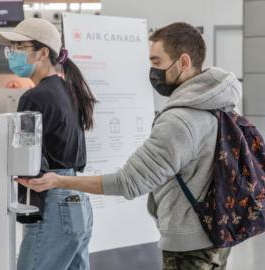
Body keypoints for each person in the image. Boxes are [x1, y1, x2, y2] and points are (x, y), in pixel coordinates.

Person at [18, 22, 242, 270]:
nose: (152, 71)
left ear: (184, 62)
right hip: (218, 231)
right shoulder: (223, 106)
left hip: (189, 243)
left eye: (157, 62)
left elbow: (128, 182)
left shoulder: (179, 120)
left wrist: (59, 181)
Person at [0, 18, 97, 270]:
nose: (12, 54)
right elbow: (38, 142)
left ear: (43, 52)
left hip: (52, 202)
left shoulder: (35, 96)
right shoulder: (67, 90)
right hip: (76, 200)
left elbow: (22, 154)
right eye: (10, 48)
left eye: (19, 46)